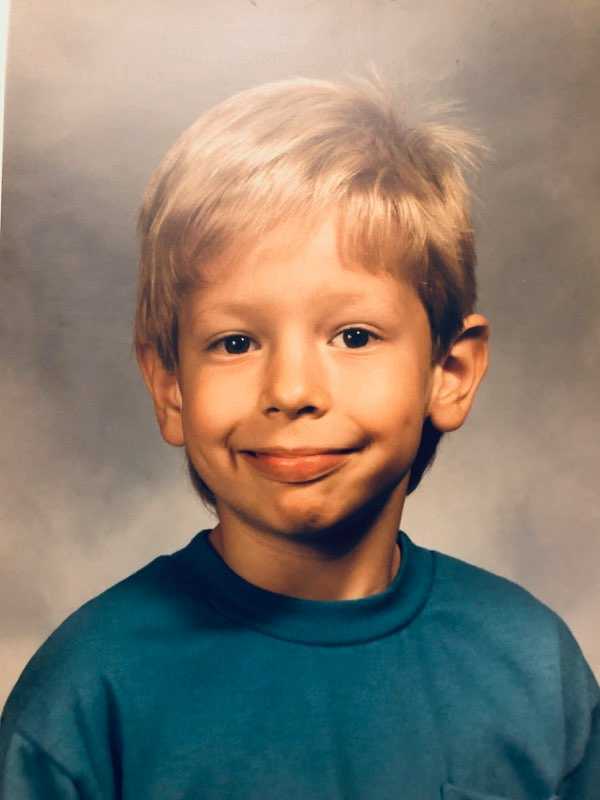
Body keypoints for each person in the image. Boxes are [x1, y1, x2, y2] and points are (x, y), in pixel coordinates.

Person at [1, 75, 598, 800]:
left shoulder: (534, 669)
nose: (290, 391)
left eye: (353, 335)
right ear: (169, 385)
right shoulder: (87, 696)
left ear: (450, 370)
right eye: (234, 341)